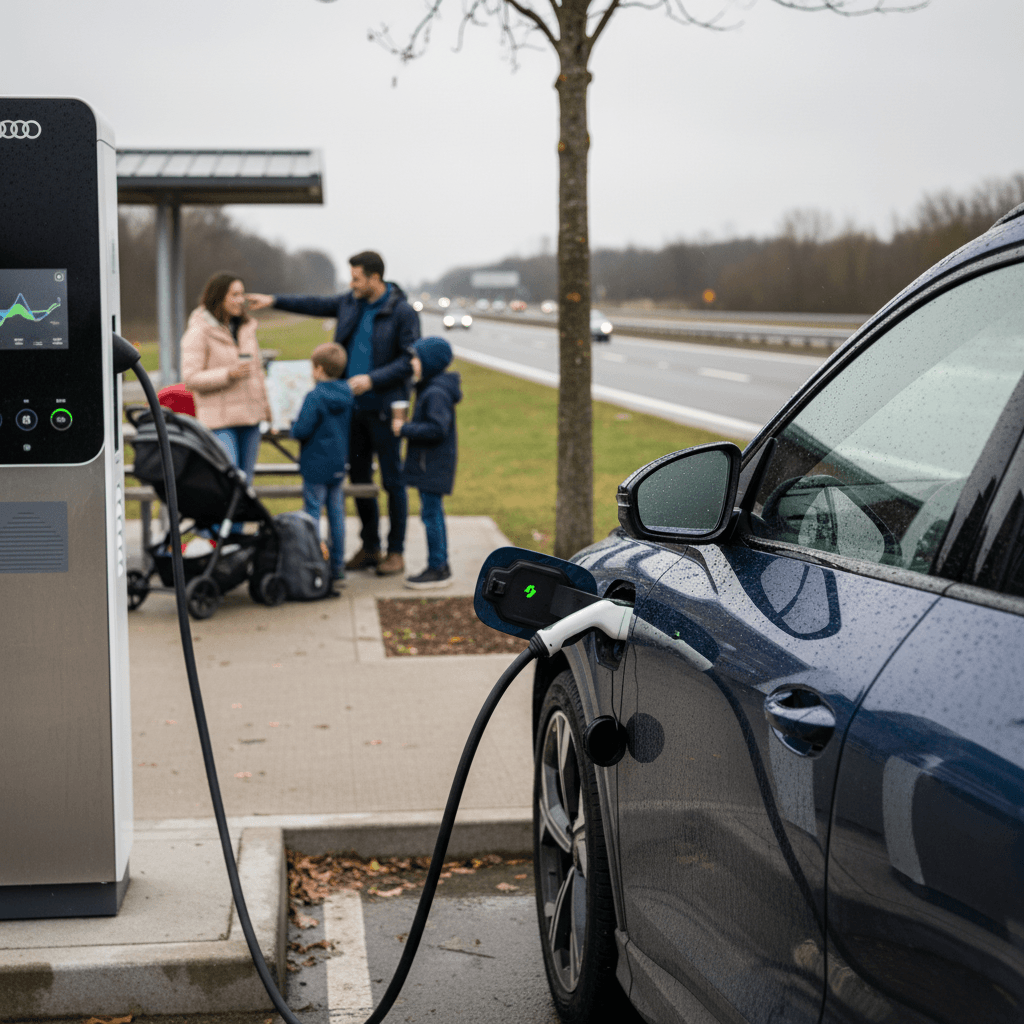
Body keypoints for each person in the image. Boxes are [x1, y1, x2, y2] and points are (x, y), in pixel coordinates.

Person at [246, 251, 418, 577]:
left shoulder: (402, 312)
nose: (351, 283)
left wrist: (372, 379)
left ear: (375, 278)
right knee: (359, 477)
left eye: (356, 278)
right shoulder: (350, 303)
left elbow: (410, 359)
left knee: (393, 480)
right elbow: (314, 304)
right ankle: (370, 547)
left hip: (384, 409)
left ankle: (395, 552)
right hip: (349, 411)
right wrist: (273, 300)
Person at [181, 273, 270, 484]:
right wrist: (227, 374)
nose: (241, 300)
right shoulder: (199, 332)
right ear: (219, 297)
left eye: (242, 294)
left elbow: (257, 373)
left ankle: (236, 519)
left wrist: (267, 413)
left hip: (251, 420)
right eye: (235, 294)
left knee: (245, 485)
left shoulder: (248, 329)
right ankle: (222, 520)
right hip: (219, 422)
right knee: (228, 484)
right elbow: (191, 378)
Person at [393, 336, 461, 590]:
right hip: (431, 465)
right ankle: (439, 565)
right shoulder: (430, 387)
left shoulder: (436, 392)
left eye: (416, 358)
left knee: (431, 516)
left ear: (430, 362)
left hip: (432, 466)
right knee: (431, 514)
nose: (412, 363)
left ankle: (438, 568)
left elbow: (437, 429)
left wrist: (404, 428)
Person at [290, 344, 353, 590]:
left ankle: (314, 566)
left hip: (315, 465)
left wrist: (293, 425)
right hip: (338, 464)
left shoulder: (314, 396)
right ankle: (338, 569)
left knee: (313, 515)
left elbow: (302, 430)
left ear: (318, 369)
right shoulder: (347, 394)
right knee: (337, 516)